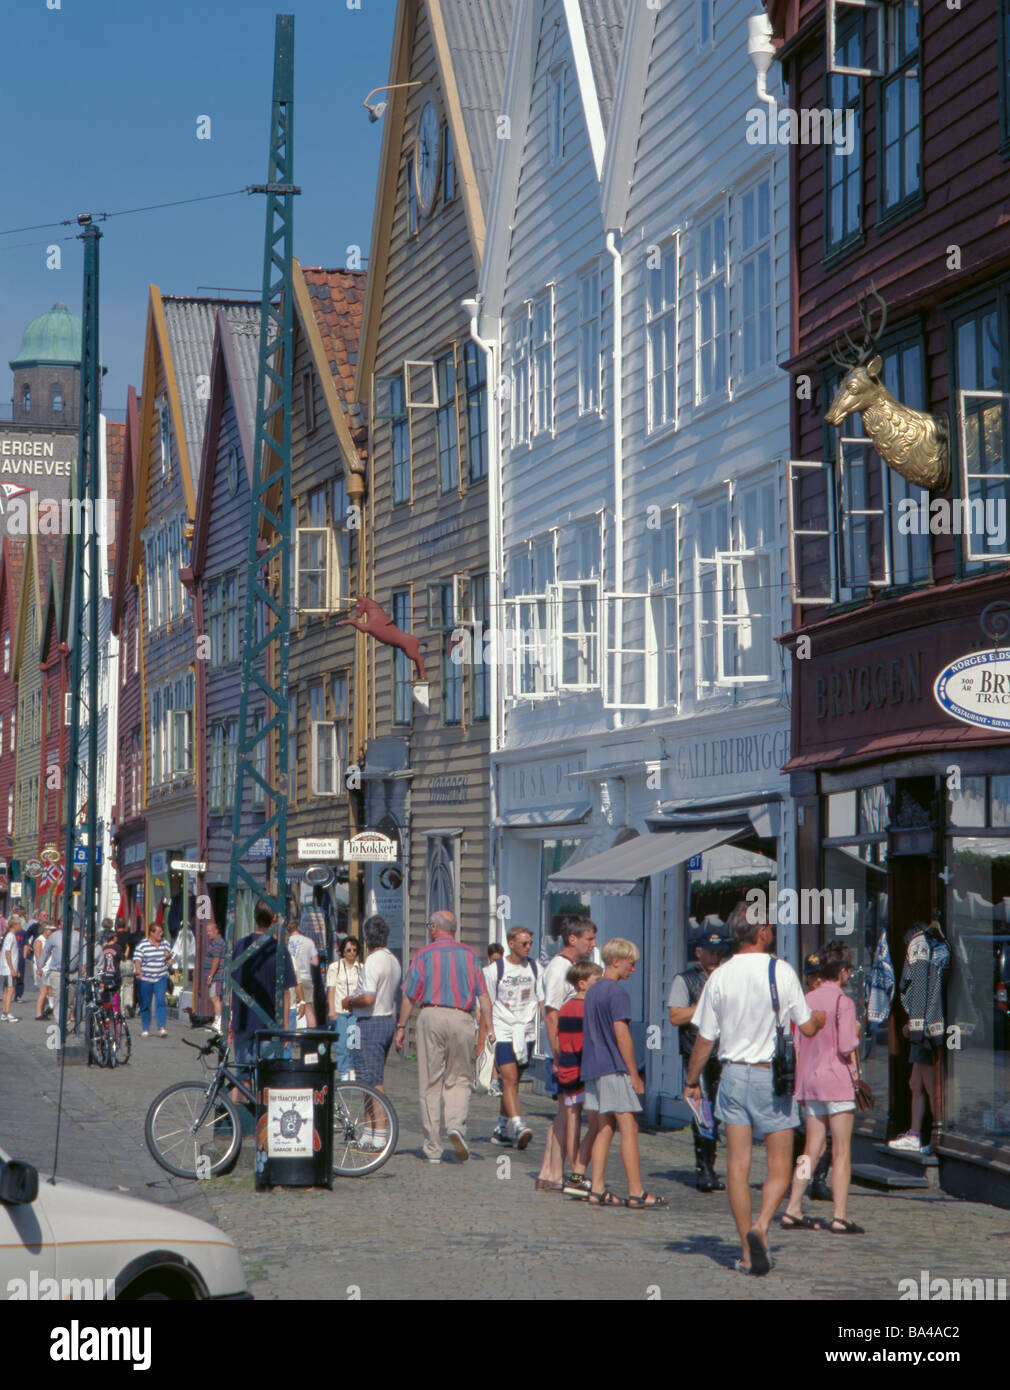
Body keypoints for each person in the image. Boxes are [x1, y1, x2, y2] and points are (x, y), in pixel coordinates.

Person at [686, 901, 826, 1275]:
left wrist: (691, 1081)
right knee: (780, 1164)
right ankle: (762, 1225)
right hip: (771, 1078)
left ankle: (746, 1252)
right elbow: (807, 1027)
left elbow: (705, 1039)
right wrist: (822, 1018)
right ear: (762, 932)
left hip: (731, 1074)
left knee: (737, 1166)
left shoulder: (719, 975)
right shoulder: (780, 971)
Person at [394, 909, 490, 1163]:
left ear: (435, 928)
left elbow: (409, 995)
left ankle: (433, 1147)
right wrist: (487, 1029)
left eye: (429, 925)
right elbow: (483, 997)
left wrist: (401, 1026)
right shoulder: (470, 955)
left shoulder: (424, 955)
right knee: (459, 1077)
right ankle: (456, 1125)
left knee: (430, 1081)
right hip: (462, 1017)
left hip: (432, 1015)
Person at [782, 940, 863, 1233]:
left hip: (811, 1081)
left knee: (810, 1149)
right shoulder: (845, 1002)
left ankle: (793, 1206)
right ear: (841, 971)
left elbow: (800, 1045)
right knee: (841, 1151)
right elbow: (846, 1046)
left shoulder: (808, 1000)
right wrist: (856, 1035)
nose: (850, 975)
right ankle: (840, 1215)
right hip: (837, 1080)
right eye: (849, 970)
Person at [581, 938, 665, 1208]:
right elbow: (622, 1034)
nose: (634, 967)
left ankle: (596, 1188)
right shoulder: (618, 994)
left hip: (592, 1066)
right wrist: (634, 1073)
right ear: (616, 961)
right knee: (629, 1125)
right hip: (613, 1066)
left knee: (604, 1126)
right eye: (632, 962)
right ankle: (636, 1191)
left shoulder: (592, 991)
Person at [536, 915, 598, 1192]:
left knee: (563, 1113)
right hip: (564, 1051)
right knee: (568, 1113)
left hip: (566, 1050)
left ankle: (549, 1173)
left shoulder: (568, 966)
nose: (592, 944)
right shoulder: (560, 968)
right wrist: (559, 1056)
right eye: (589, 938)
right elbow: (551, 1014)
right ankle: (558, 1173)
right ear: (572, 939)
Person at [668, 928, 731, 1192]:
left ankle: (712, 1166)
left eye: (719, 952)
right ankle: (703, 1168)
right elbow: (676, 1016)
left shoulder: (728, 978)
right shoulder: (685, 980)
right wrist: (706, 1004)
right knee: (702, 1110)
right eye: (711, 951)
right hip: (697, 1053)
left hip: (725, 1054)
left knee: (718, 1113)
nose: (715, 956)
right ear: (699, 953)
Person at [888, 919, 951, 1155]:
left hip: (924, 1026)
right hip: (927, 1022)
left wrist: (915, 1025)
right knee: (916, 1083)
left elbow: (921, 986)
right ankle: (915, 1134)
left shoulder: (919, 944)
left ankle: (937, 1135)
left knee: (928, 1083)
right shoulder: (936, 943)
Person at [344, 916, 401, 1150]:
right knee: (367, 1077)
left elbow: (368, 997)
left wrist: (350, 1001)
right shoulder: (393, 960)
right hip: (387, 1019)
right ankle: (368, 1130)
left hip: (370, 1020)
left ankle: (380, 1132)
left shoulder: (373, 961)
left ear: (367, 938)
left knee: (373, 1081)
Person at [487, 925, 544, 1150]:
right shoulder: (495, 970)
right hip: (503, 1029)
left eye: (530, 943)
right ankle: (519, 1126)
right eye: (524, 943)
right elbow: (486, 1003)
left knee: (515, 1082)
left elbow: (541, 998)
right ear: (511, 944)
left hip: (526, 1031)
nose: (528, 947)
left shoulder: (534, 968)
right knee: (509, 1079)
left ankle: (500, 1129)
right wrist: (486, 1033)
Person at [229, 900, 296, 1081]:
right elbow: (285, 992)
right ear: (275, 918)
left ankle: (239, 1109)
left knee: (242, 1077)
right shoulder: (278, 950)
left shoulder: (240, 946)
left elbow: (232, 985)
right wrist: (286, 1027)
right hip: (268, 1024)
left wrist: (229, 1017)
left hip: (242, 1020)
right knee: (266, 1080)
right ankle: (262, 1110)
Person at [557, 960, 603, 1196]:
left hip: (566, 1066)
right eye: (597, 980)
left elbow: (561, 1039)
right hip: (583, 1068)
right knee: (595, 1124)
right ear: (582, 983)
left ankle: (574, 1169)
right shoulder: (589, 1008)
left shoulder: (565, 1007)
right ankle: (578, 1172)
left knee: (572, 1121)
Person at [327, 935, 362, 1079]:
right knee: (341, 1044)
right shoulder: (335, 967)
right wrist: (332, 1010)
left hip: (355, 1012)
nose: (352, 953)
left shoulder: (361, 968)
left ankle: (352, 1068)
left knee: (353, 1042)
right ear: (343, 951)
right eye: (348, 950)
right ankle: (343, 1071)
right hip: (340, 1011)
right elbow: (331, 989)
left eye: (354, 950)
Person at [133, 923, 174, 1038]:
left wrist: (168, 957)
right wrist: (138, 971)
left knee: (161, 1001)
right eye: (158, 932)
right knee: (145, 1003)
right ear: (151, 933)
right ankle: (145, 1028)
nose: (161, 934)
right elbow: (137, 960)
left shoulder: (165, 943)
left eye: (162, 932)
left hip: (160, 977)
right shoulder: (143, 945)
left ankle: (162, 1027)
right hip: (146, 978)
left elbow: (170, 960)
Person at [286, 916, 319, 1029]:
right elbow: (315, 962)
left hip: (290, 978)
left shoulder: (287, 942)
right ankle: (312, 1035)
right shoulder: (309, 941)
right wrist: (306, 960)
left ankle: (292, 1035)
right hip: (305, 977)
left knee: (290, 1008)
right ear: (298, 927)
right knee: (308, 1008)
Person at [483, 943, 505, 1097]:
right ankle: (489, 1081)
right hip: (486, 1015)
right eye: (494, 960)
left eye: (499, 960)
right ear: (489, 958)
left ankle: (493, 1081)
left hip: (499, 1016)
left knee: (495, 1050)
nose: (496, 963)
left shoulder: (504, 973)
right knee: (488, 1050)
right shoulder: (486, 973)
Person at [204, 920, 226, 1034]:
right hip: (214, 976)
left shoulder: (218, 943)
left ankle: (219, 1021)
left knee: (215, 997)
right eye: (207, 931)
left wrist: (210, 976)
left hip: (217, 976)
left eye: (210, 931)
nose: (208, 933)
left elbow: (216, 960)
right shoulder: (214, 942)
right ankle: (217, 1020)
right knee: (214, 997)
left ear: (216, 931)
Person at [1, 916, 20, 1022]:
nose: (20, 926)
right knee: (10, 989)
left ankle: (4, 1012)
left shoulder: (10, 936)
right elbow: (8, 952)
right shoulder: (11, 936)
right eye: (19, 924)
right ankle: (7, 1012)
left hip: (7, 967)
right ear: (15, 925)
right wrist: (12, 968)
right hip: (8, 968)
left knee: (6, 989)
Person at [33, 925, 54, 1019]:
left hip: (47, 969)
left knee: (48, 990)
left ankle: (45, 1010)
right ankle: (39, 1014)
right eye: (50, 930)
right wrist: (39, 968)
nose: (51, 931)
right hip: (42, 969)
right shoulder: (39, 940)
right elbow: (38, 955)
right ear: (44, 930)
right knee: (43, 991)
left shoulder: (48, 940)